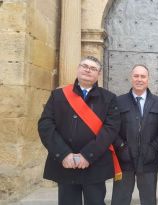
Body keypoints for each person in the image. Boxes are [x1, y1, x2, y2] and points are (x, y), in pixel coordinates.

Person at [38, 56, 121, 205]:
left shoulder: (109, 98)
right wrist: (63, 154)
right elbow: (46, 125)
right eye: (84, 66)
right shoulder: (58, 95)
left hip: (95, 164)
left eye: (93, 68)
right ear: (78, 69)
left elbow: (110, 130)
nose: (88, 70)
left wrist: (87, 155)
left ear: (98, 75)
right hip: (66, 164)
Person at [111, 64, 158, 205]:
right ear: (131, 78)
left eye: (143, 76)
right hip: (124, 160)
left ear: (148, 79)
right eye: (136, 76)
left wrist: (153, 148)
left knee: (148, 200)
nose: (139, 79)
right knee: (120, 200)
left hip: (149, 160)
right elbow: (111, 128)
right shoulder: (118, 101)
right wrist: (121, 147)